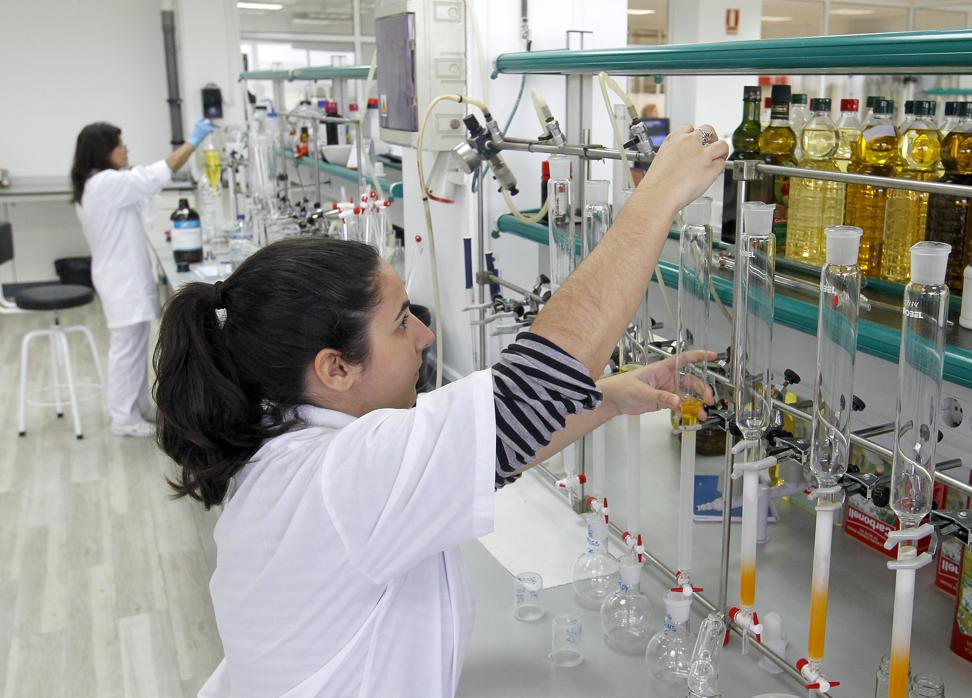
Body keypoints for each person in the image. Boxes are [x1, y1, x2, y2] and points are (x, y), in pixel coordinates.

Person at [152, 124, 728, 697]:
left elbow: (486, 448)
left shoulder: (291, 446)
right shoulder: (341, 478)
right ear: (335, 368)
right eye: (403, 321)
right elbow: (531, 389)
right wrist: (658, 195)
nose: (426, 335)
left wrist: (605, 396)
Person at [71, 118, 216, 437]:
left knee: (134, 345)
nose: (126, 150)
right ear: (103, 151)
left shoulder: (98, 184)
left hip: (122, 277)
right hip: (121, 280)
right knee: (126, 349)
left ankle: (137, 407)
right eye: (120, 145)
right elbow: (155, 175)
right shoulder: (106, 183)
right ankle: (123, 418)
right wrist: (192, 142)